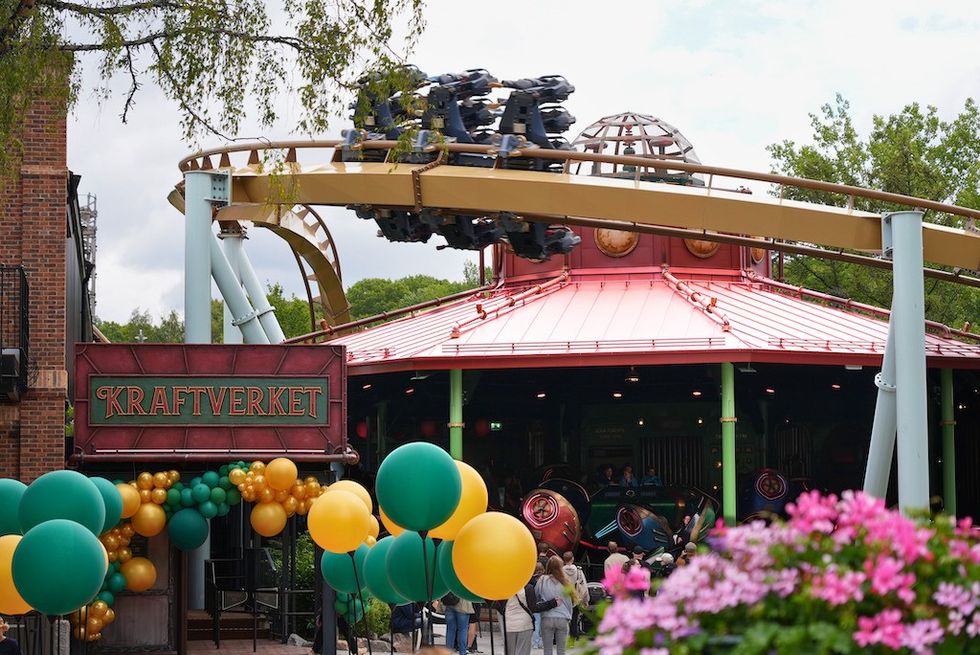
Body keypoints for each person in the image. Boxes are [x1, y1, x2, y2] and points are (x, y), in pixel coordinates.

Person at [535, 556, 574, 655]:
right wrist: (569, 616)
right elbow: (569, 602)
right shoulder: (565, 582)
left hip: (547, 617)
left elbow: (536, 596)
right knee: (561, 651)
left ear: (548, 566)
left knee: (547, 650)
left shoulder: (542, 580)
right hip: (563, 617)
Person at [561, 552, 589, 638]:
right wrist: (586, 600)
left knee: (563, 617)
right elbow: (584, 586)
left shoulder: (561, 571)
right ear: (572, 559)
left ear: (564, 560)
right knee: (574, 617)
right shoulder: (579, 571)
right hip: (575, 597)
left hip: (564, 597)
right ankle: (573, 635)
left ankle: (563, 636)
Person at [530, 562, 545, 649]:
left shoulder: (530, 579)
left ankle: (536, 642)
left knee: (536, 623)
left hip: (533, 604)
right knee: (540, 624)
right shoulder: (542, 580)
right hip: (541, 604)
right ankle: (538, 642)